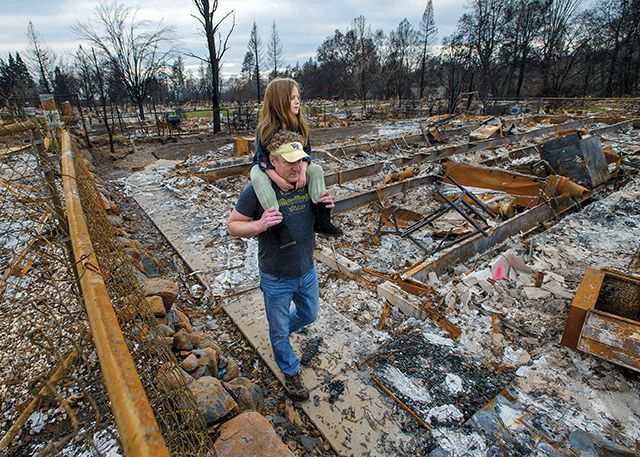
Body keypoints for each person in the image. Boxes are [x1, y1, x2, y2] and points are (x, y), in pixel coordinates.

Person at [227, 129, 337, 402]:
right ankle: (290, 369)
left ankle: (279, 334)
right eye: (289, 161)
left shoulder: (306, 182)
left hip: (306, 269)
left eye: (300, 160)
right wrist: (259, 225)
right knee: (279, 332)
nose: (297, 166)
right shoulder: (256, 191)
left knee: (309, 315)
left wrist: (326, 207)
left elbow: (314, 218)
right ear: (272, 161)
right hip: (276, 276)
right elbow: (232, 225)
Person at [250, 77, 342, 249]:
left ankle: (321, 216)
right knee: (256, 176)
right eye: (292, 97)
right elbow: (260, 159)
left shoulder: (299, 125)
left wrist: (302, 171)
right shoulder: (266, 128)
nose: (297, 101)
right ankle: (277, 224)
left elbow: (306, 152)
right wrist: (277, 179)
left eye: (298, 97)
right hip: (271, 168)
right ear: (279, 101)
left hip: (296, 164)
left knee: (316, 170)